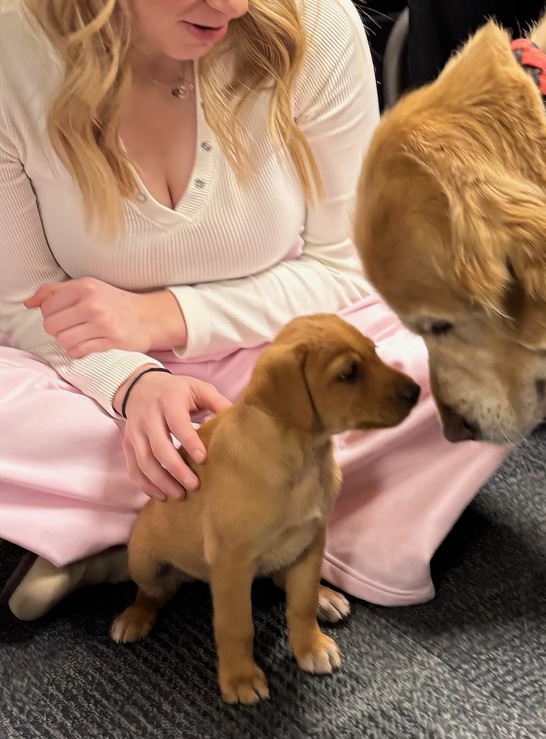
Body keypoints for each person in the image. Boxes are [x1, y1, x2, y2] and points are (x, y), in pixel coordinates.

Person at [0, 0, 513, 620]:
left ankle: (139, 531)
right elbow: (19, 303)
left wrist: (168, 317)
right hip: (85, 368)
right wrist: (133, 383)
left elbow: (347, 266)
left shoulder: (316, 21)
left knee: (489, 347)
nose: (235, 7)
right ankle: (266, 519)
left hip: (286, 350)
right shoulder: (13, 47)